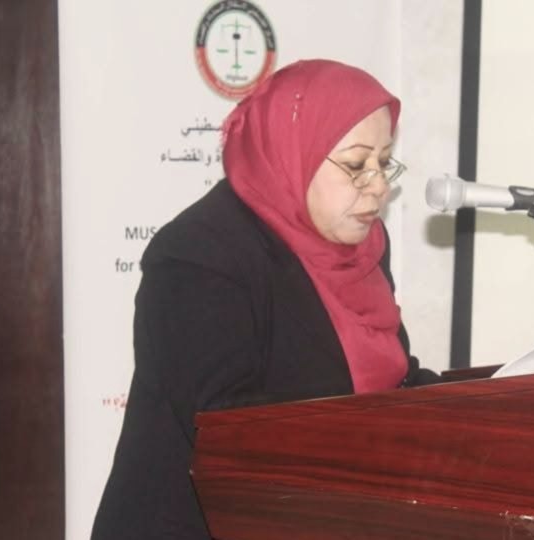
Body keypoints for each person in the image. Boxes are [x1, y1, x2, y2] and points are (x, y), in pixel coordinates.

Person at [91, 59, 439, 539]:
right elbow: (230, 428)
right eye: (357, 165)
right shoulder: (199, 254)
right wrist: (377, 440)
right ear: (294, 151)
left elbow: (392, 377)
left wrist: (486, 409)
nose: (379, 185)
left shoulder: (362, 248)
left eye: (384, 162)